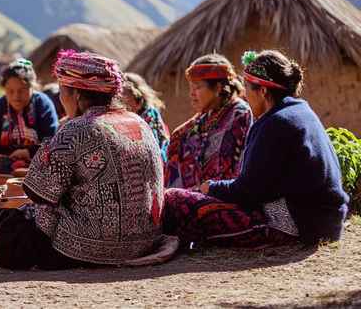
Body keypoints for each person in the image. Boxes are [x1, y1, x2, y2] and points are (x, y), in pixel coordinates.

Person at [0, 51, 164, 269]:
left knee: (9, 223)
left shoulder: (78, 128)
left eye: (63, 92)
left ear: (77, 96)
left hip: (92, 248)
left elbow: (37, 192)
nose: (62, 101)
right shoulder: (139, 122)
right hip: (147, 241)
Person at [163, 50, 349, 247]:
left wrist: (212, 188)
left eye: (248, 88)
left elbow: (248, 192)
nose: (245, 95)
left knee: (176, 200)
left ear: (263, 91)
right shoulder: (300, 111)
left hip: (300, 224)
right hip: (325, 220)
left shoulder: (275, 123)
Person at [165, 54, 252, 189]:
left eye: (197, 87)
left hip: (228, 195)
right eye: (191, 88)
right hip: (196, 197)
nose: (192, 94)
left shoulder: (240, 115)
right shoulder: (199, 121)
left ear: (218, 88)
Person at [0, 59, 58, 174]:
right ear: (4, 89)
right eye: (10, 91)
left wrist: (29, 152)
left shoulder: (43, 104)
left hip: (35, 158)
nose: (16, 96)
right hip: (4, 159)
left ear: (32, 87)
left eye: (22, 90)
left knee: (50, 167)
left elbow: (52, 139)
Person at [123, 72, 171, 161]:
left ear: (137, 97)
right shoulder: (126, 118)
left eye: (125, 95)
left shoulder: (150, 117)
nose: (121, 99)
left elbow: (154, 150)